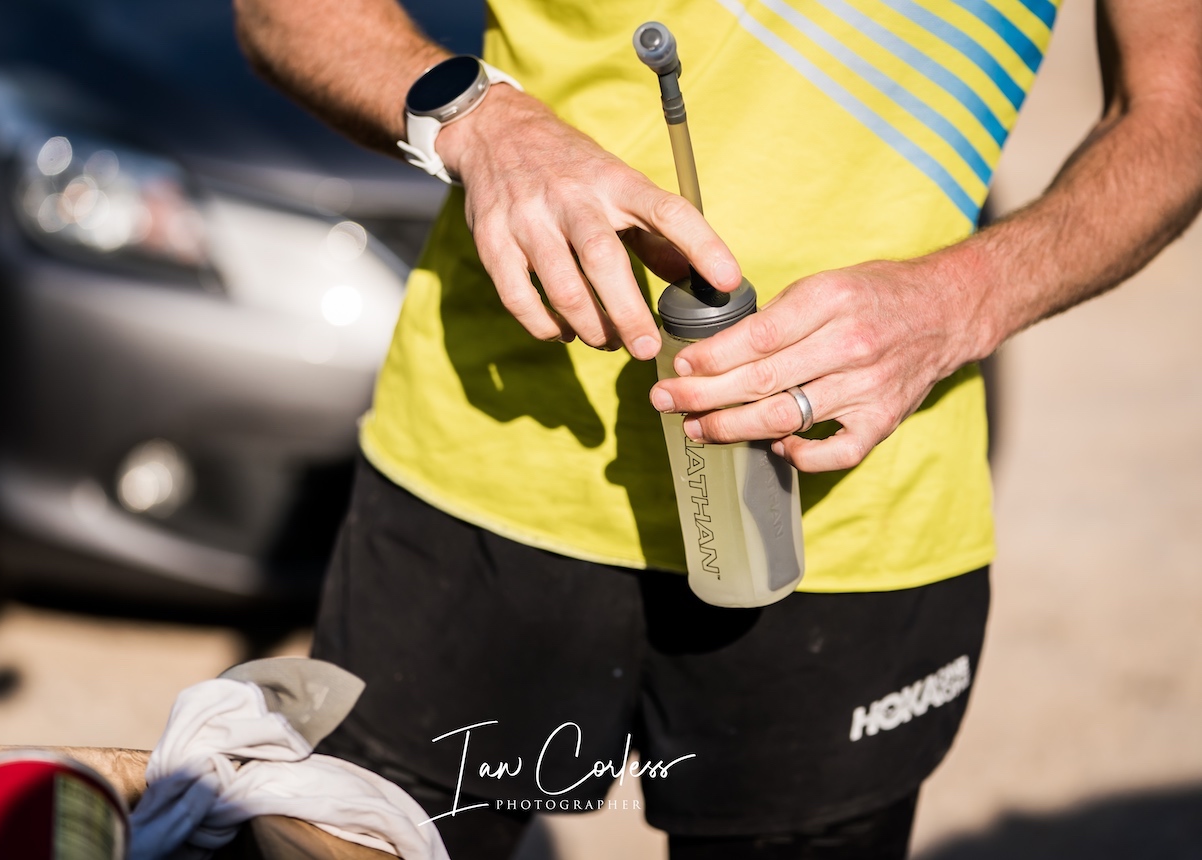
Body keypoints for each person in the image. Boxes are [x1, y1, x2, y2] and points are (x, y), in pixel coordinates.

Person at [234, 1, 1202, 857]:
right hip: (477, 479)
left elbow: (1175, 113)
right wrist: (479, 120)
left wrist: (964, 299)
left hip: (851, 523)